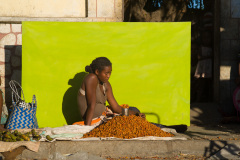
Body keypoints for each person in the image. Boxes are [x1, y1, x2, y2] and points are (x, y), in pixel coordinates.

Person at [74, 57, 145, 126]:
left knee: (134, 110)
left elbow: (116, 107)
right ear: (97, 72)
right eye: (106, 73)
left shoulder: (106, 84)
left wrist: (136, 114)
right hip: (96, 122)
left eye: (110, 73)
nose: (108, 76)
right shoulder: (91, 78)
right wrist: (87, 128)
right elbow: (91, 105)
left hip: (105, 117)